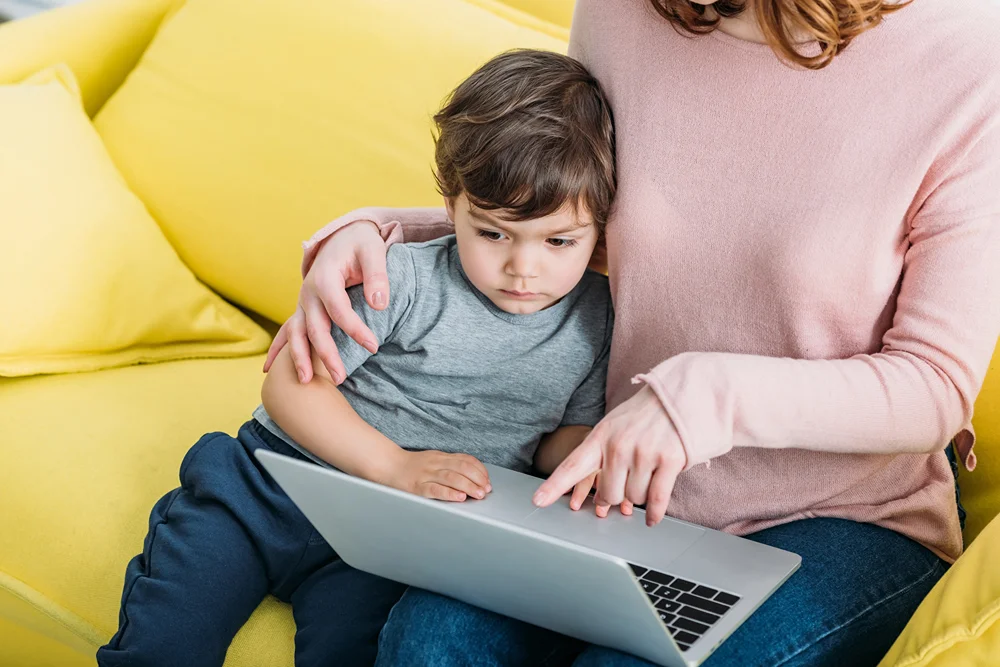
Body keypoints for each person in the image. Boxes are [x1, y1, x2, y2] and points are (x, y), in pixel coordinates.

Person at [265, 0, 1000, 664]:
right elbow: (562, 219)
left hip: (844, 518)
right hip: (614, 491)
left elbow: (935, 385)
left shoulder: (971, 60)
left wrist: (702, 396)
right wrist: (376, 233)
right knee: (431, 641)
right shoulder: (625, 13)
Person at [97, 48, 618, 667]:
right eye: (493, 233)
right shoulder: (401, 278)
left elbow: (563, 436)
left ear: (602, 231)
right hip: (271, 488)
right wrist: (396, 466)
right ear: (450, 206)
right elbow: (289, 387)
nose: (523, 268)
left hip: (387, 543)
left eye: (559, 241)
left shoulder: (595, 318)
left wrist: (589, 463)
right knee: (166, 641)